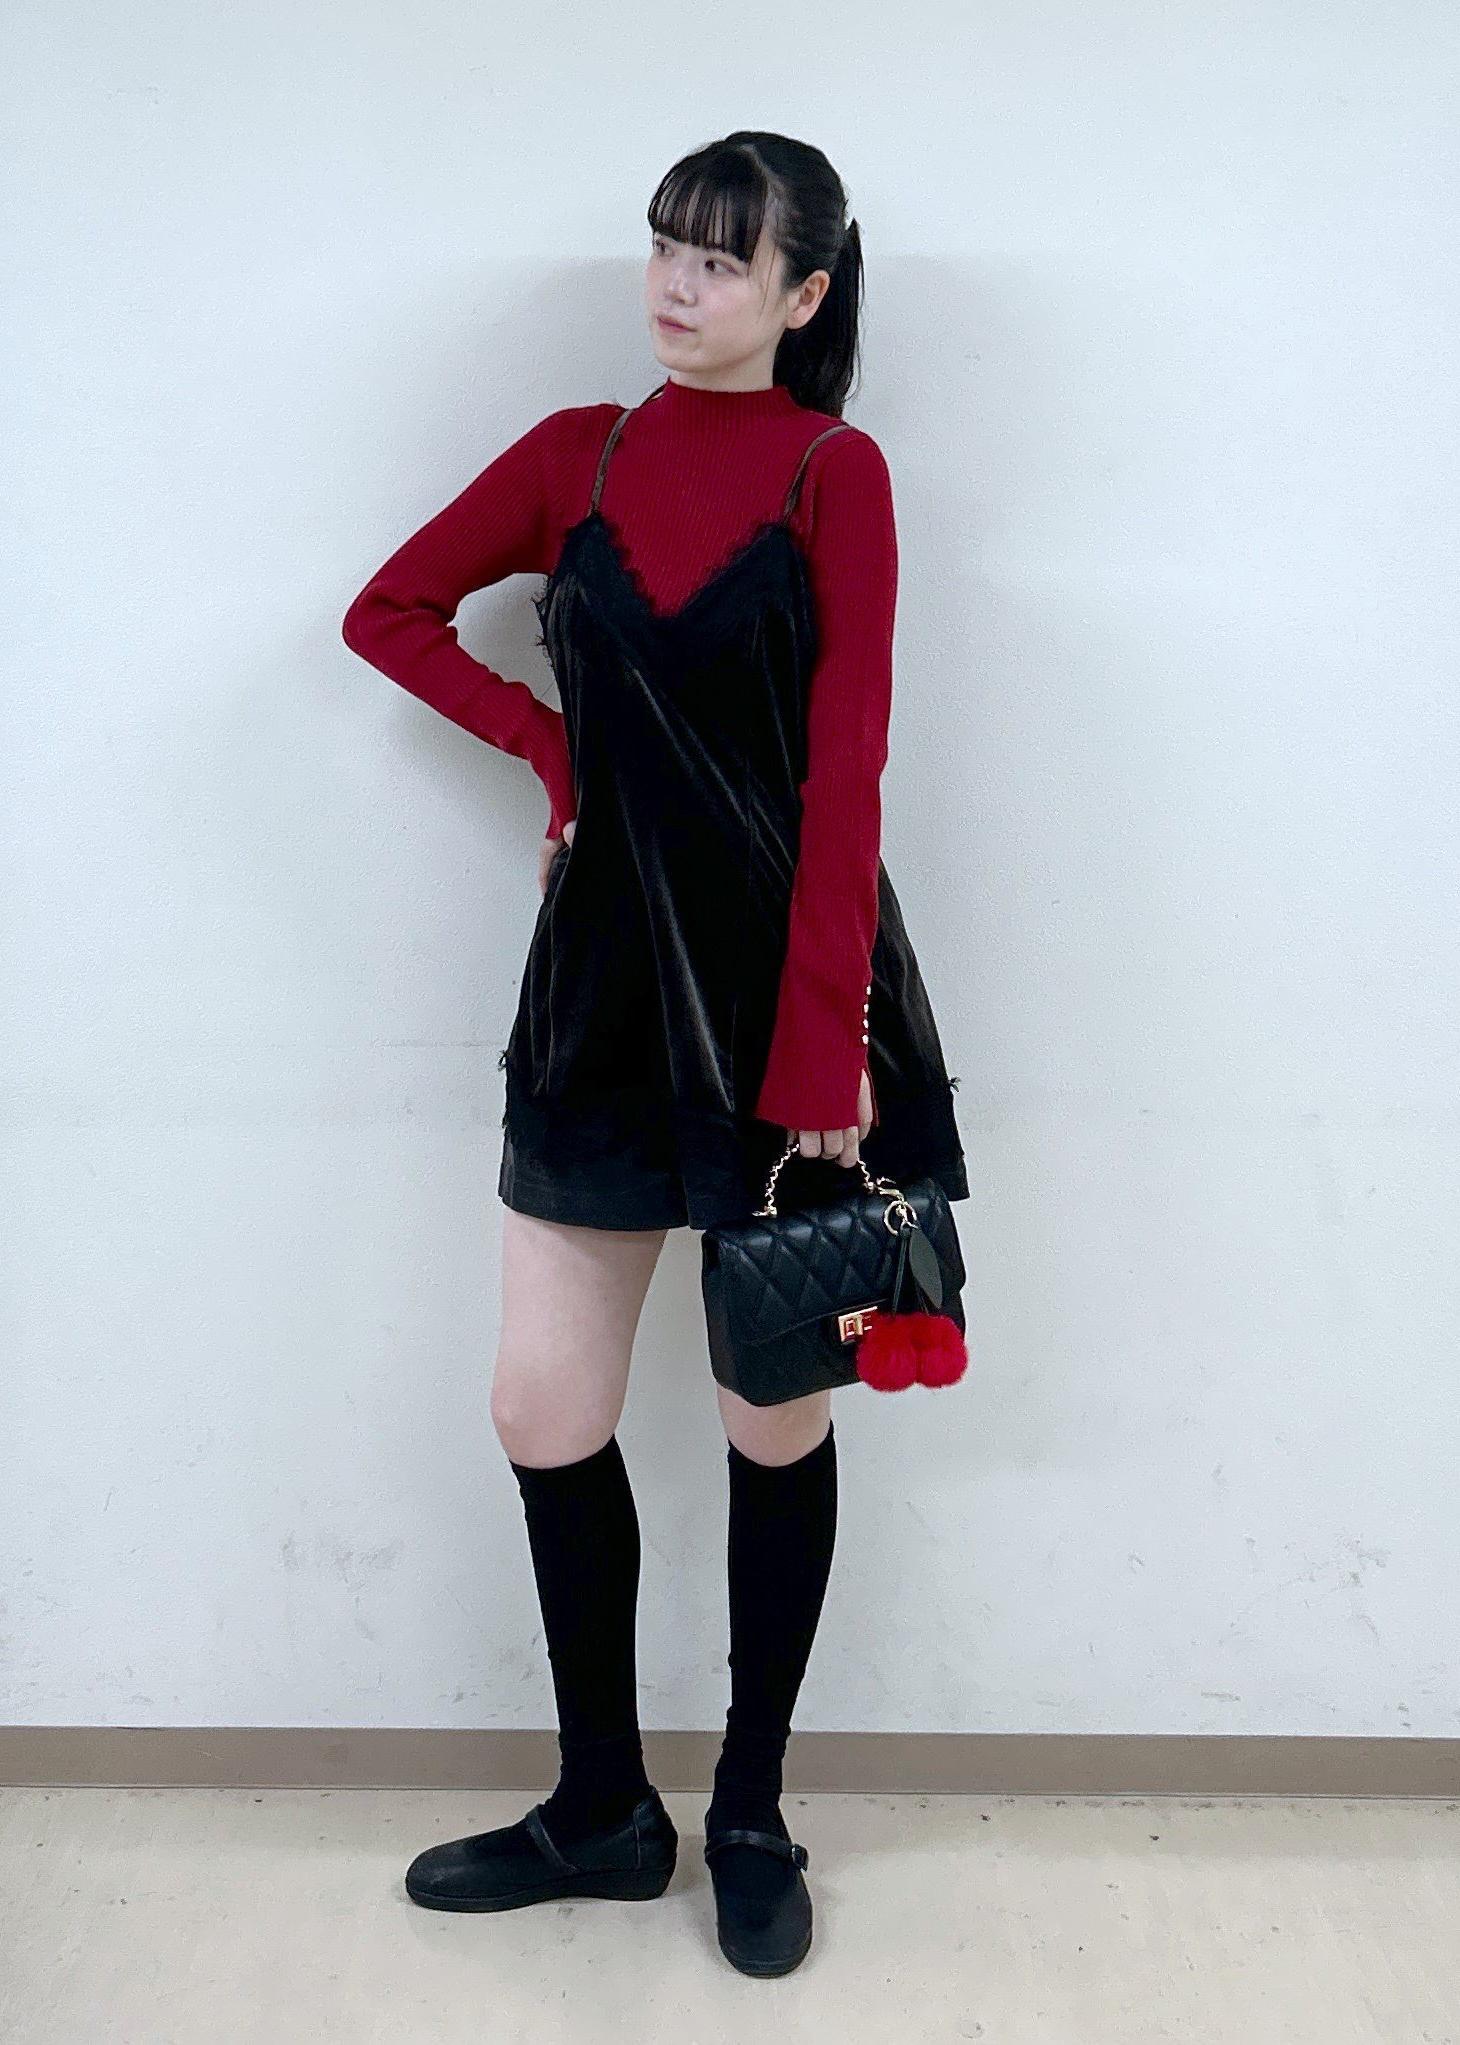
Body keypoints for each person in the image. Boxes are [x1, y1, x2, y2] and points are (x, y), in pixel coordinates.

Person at [341, 130, 968, 1979]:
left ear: (804, 292)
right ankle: (605, 1809)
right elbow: (388, 614)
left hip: (792, 996)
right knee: (542, 1405)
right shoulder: (577, 456)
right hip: (603, 995)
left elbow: (846, 769)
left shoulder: (835, 473)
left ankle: (752, 1809)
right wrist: (554, 751)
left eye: (721, 260)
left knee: (774, 1410)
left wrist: (825, 1047)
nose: (678, 286)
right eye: (666, 249)